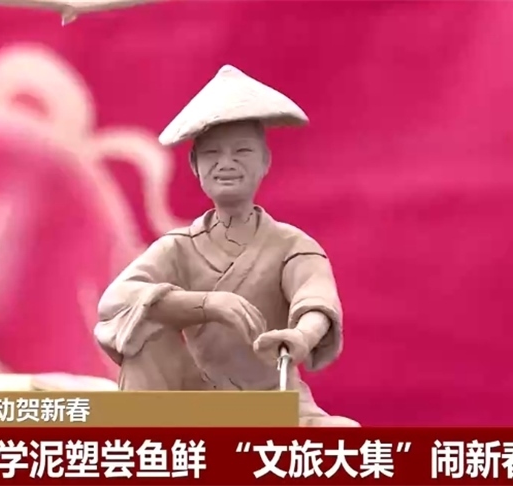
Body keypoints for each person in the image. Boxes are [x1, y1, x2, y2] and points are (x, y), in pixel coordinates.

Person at [94, 65, 358, 427]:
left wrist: (300, 336)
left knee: (343, 436)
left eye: (242, 151)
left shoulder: (291, 245)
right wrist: (208, 304)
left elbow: (316, 301)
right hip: (200, 400)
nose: (226, 164)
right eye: (212, 154)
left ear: (265, 161)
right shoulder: (180, 247)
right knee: (142, 326)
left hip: (275, 402)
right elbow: (116, 300)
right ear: (195, 165)